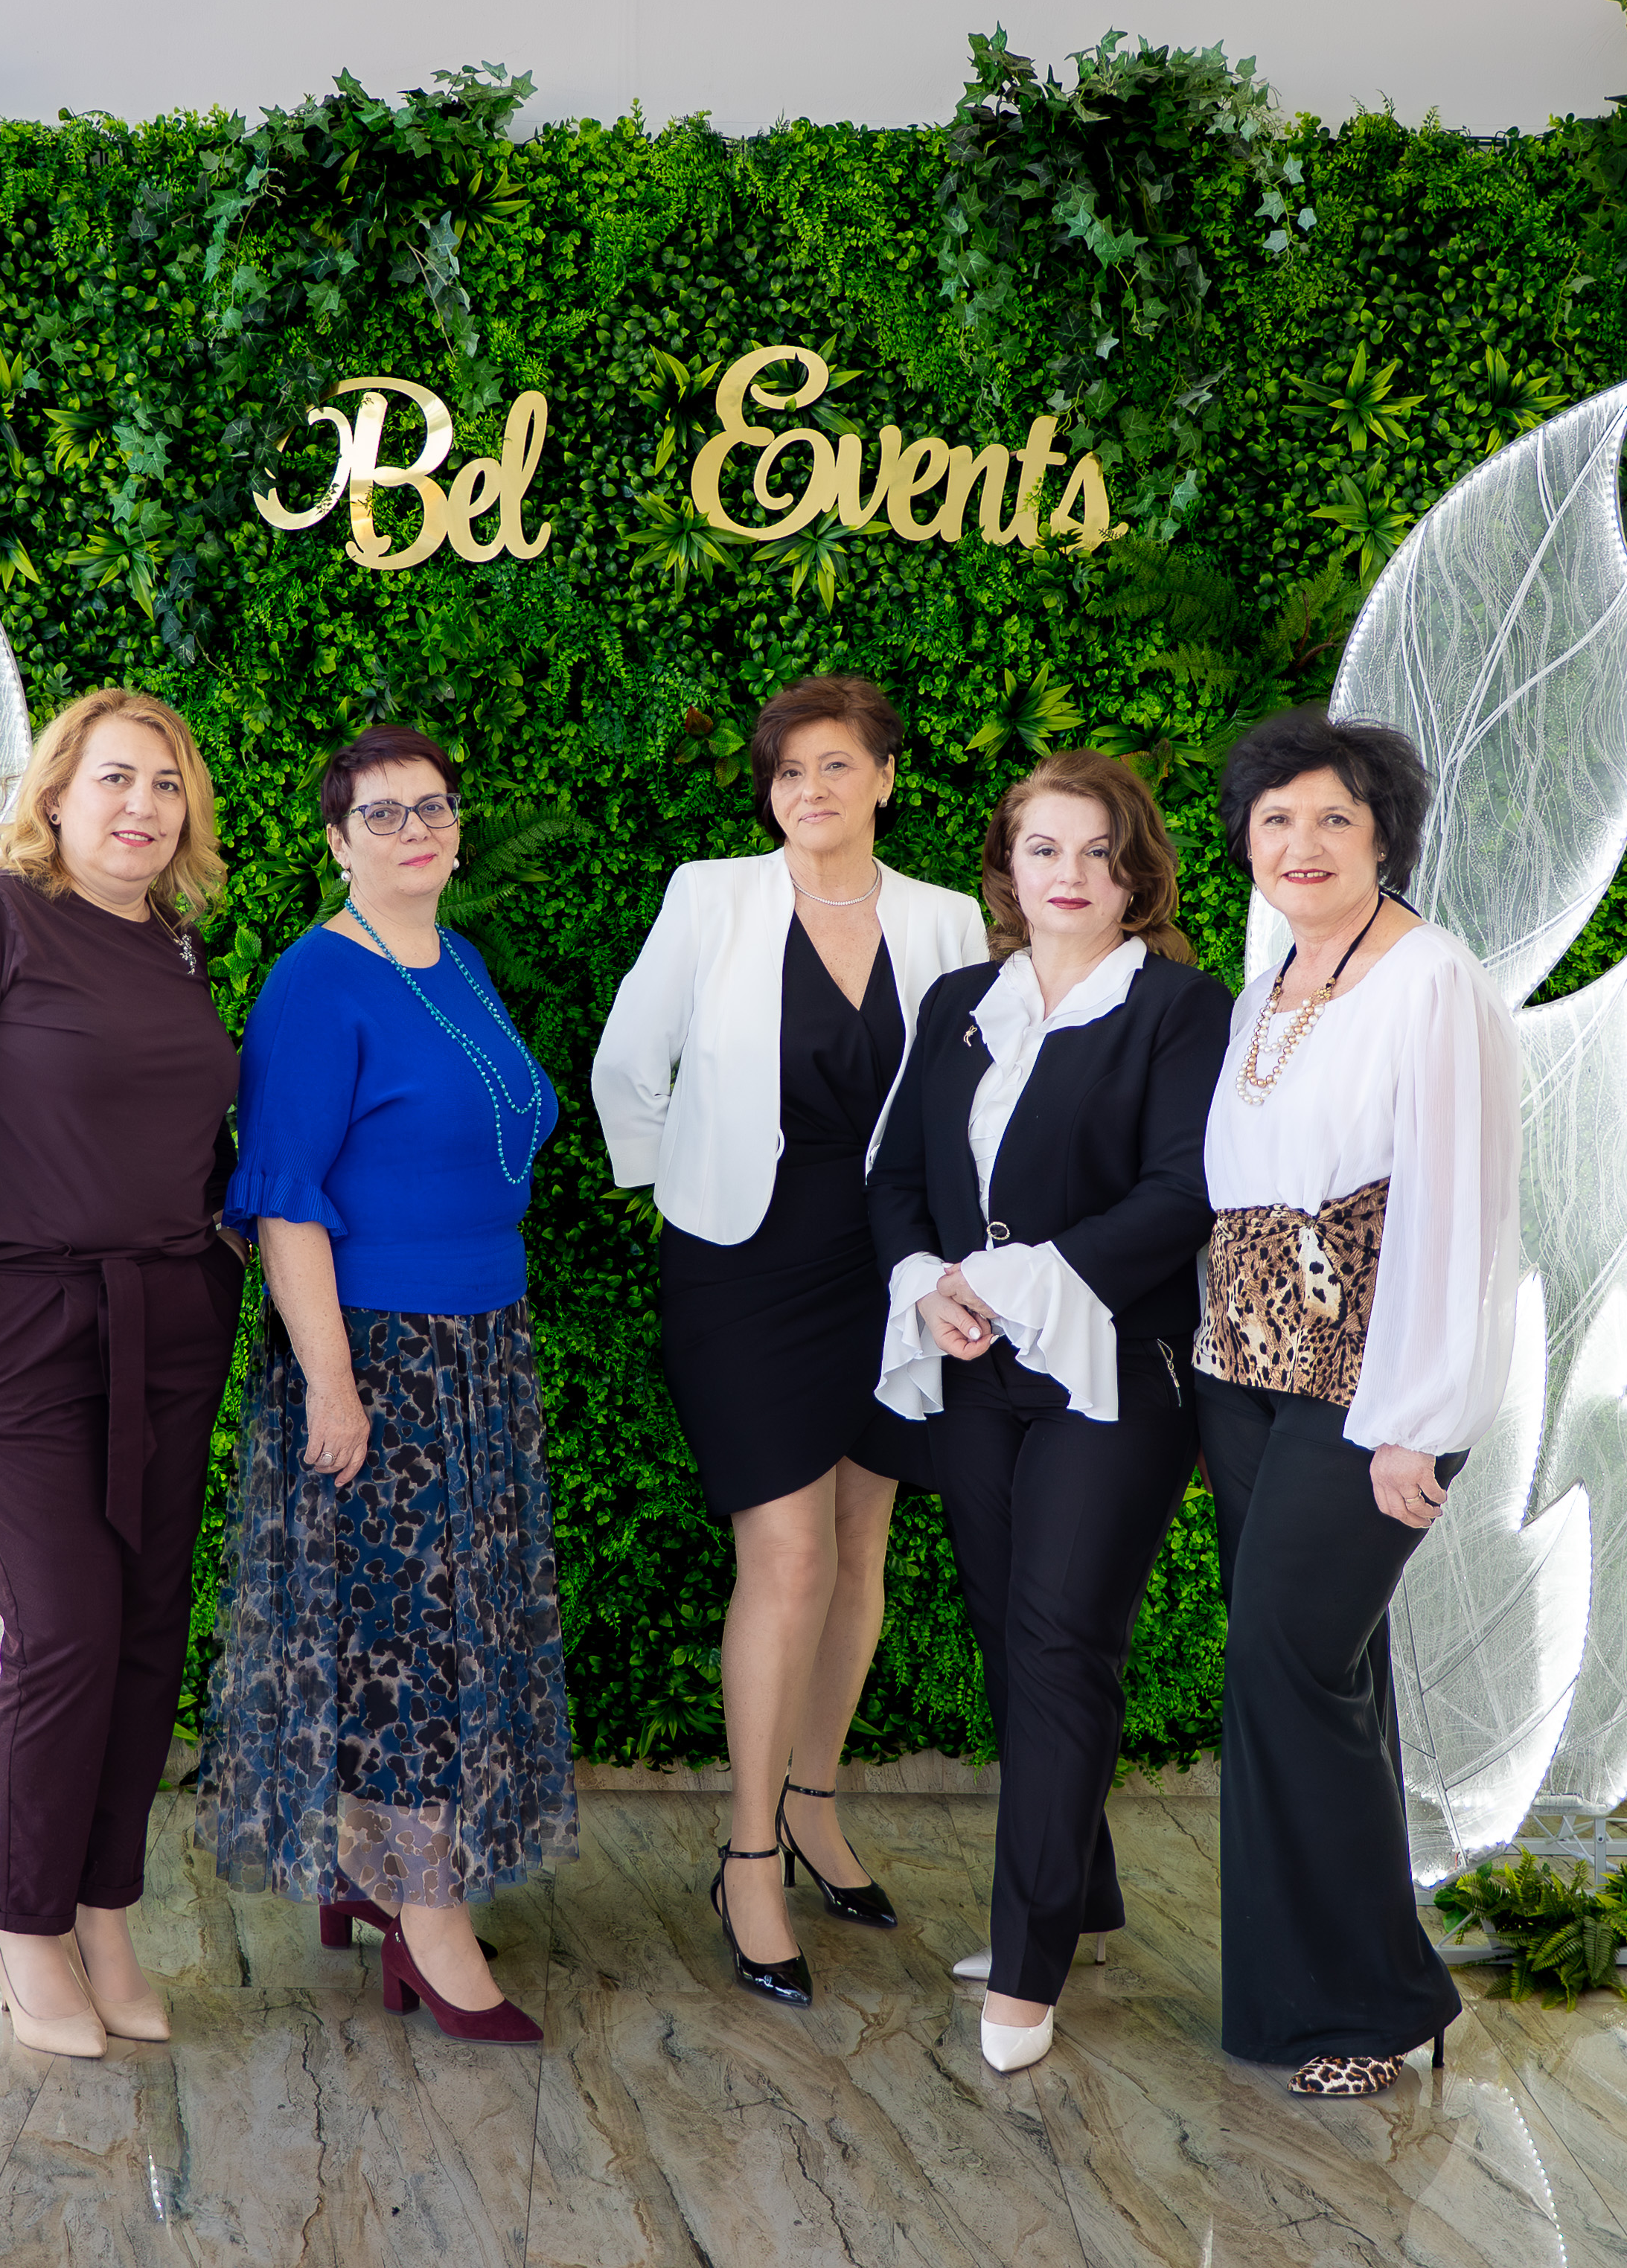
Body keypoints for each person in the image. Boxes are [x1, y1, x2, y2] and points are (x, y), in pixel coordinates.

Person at [0, 688, 247, 2059]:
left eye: (167, 785)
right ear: (57, 795)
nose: (143, 806)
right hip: (14, 1329)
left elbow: (181, 1130)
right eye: (115, 778)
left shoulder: (176, 947)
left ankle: (103, 1910)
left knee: (144, 1628)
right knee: (65, 1625)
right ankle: (25, 1928)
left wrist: (227, 1237)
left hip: (166, 1322)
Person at [592, 674, 987, 2007]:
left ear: (886, 779)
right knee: (791, 1553)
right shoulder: (713, 898)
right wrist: (693, 1192)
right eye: (788, 772)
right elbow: (625, 1067)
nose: (809, 790)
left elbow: (974, 1098)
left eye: (836, 765)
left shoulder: (945, 919)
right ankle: (747, 1857)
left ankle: (815, 1805)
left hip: (895, 1265)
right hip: (745, 1265)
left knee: (863, 1543)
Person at [196, 723, 572, 2048]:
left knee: (451, 1622)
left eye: (435, 808)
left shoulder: (455, 959)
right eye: (383, 814)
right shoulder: (317, 981)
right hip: (380, 1351)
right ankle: (426, 1914)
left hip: (482, 1345)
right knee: (411, 1638)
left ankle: (375, 1867)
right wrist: (333, 1387)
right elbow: (282, 1200)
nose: (417, 830)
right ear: (338, 842)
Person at [866, 750, 1231, 2072]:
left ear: (1137, 874)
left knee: (1065, 1640)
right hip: (975, 1363)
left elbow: (1183, 1191)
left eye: (1097, 852)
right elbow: (897, 1176)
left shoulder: (1182, 1007)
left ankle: (1028, 1969)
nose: (1069, 875)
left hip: (1116, 1370)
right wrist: (926, 1282)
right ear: (1006, 870)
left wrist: (1010, 1281)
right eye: (1043, 849)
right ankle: (1081, 1896)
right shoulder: (960, 1000)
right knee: (1007, 1636)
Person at [1197, 708, 1521, 2097]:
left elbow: (1458, 1205)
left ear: (1386, 835)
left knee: (1286, 1664)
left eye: (1335, 817)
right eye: (1277, 820)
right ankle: (1315, 1992)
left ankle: (1379, 2004)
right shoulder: (1275, 972)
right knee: (1326, 1674)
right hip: (1245, 1371)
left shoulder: (1431, 976)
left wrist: (1414, 1417)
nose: (1303, 842)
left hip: (1369, 1384)